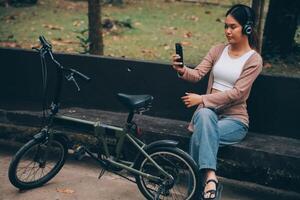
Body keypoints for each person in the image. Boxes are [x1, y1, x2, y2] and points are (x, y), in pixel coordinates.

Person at [172, 4, 263, 200]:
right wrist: (181, 69)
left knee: (200, 136)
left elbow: (237, 94)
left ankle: (194, 194)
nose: (228, 31)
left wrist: (203, 98)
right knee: (205, 115)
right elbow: (196, 75)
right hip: (208, 117)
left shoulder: (254, 60)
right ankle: (211, 181)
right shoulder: (218, 50)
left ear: (247, 28)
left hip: (235, 121)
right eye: (226, 26)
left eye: (233, 27)